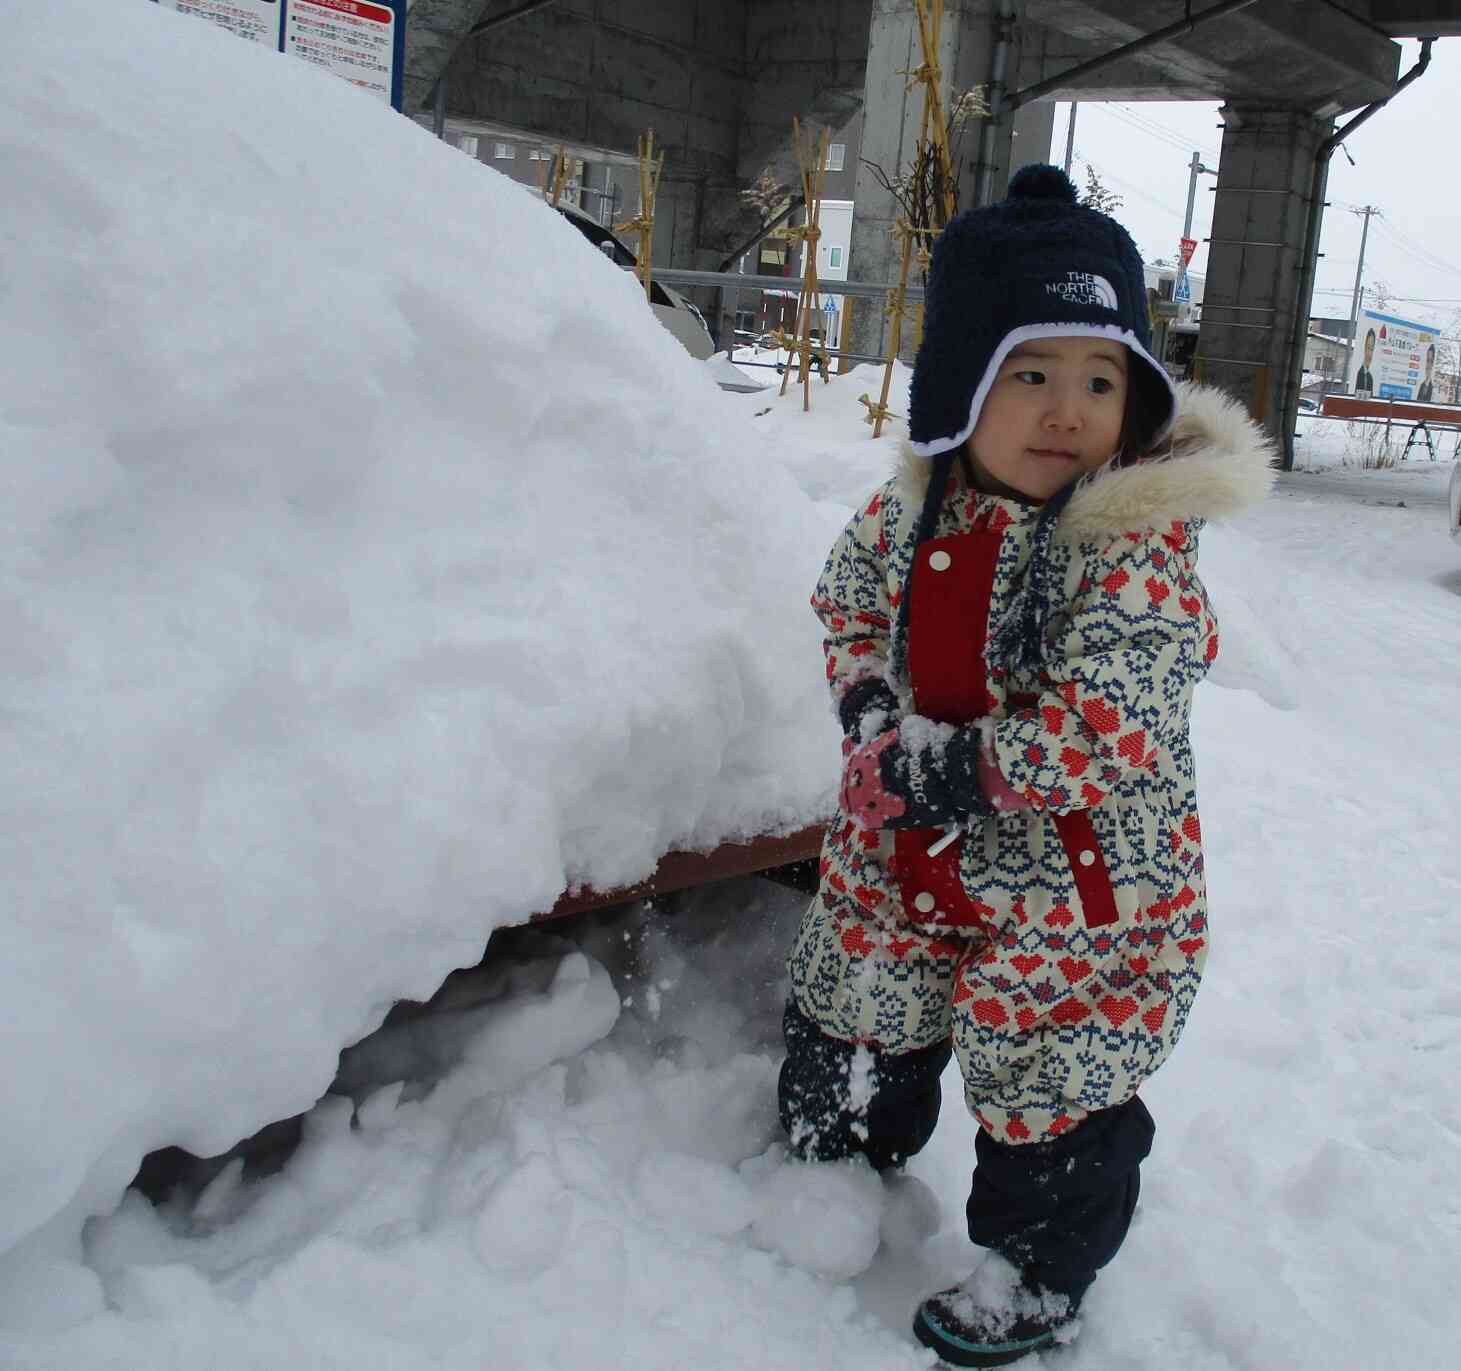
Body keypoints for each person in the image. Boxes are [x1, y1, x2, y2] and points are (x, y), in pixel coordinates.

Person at [777, 165, 1275, 1367]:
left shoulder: (1135, 545)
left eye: (1101, 381)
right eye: (1030, 375)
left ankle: (1038, 1268)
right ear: (959, 389)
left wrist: (947, 774)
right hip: (908, 842)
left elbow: (1113, 725)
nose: (1068, 411)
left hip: (1083, 884)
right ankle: (841, 1135)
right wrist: (866, 707)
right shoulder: (911, 511)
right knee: (862, 975)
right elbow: (848, 604)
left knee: (1049, 1057)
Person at [1354, 328, 1376, 396]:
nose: (1369, 354)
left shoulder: (1370, 377)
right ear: (1364, 347)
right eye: (1368, 348)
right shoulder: (1358, 373)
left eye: (1372, 349)